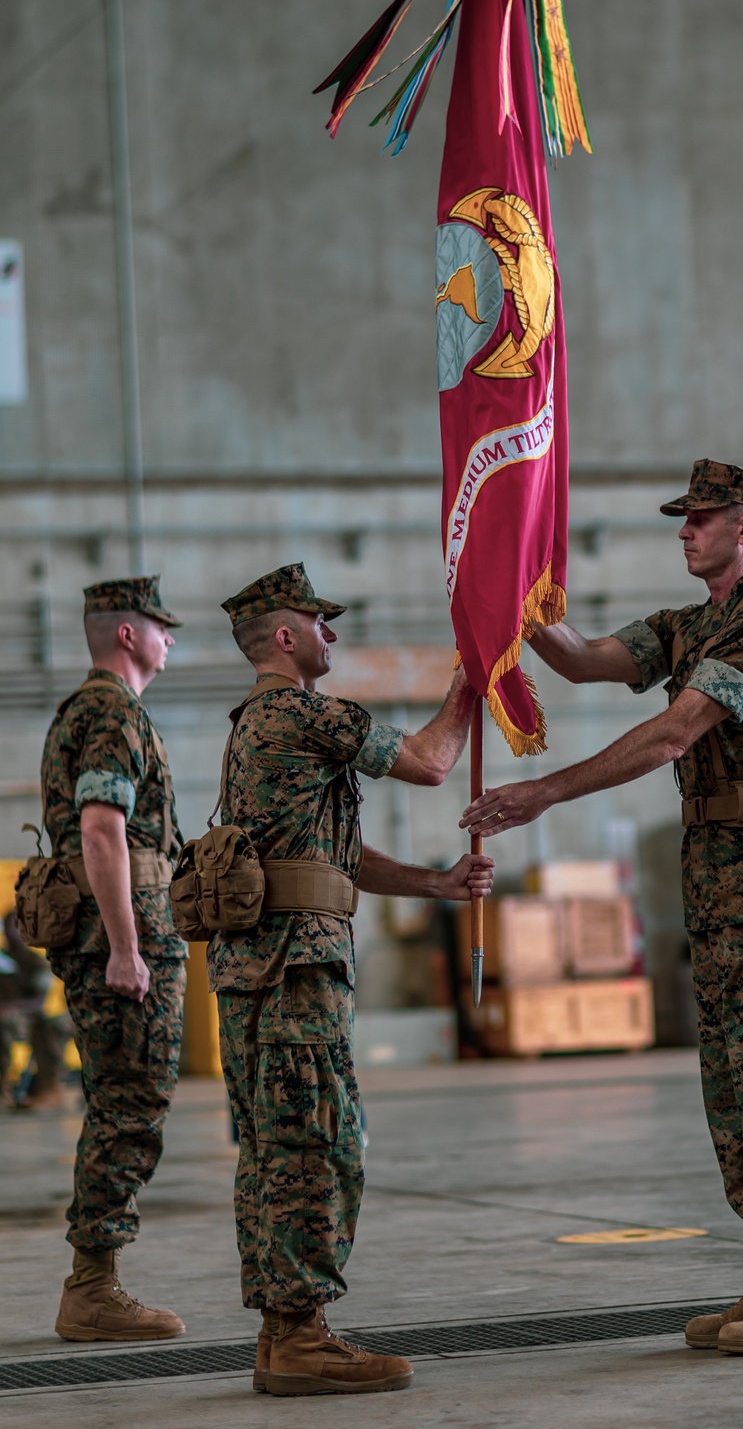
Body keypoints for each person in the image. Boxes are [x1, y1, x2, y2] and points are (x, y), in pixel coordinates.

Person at [460, 461, 743, 1357]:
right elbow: (585, 658)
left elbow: (675, 732)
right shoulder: (689, 625)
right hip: (720, 876)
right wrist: (513, 591)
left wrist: (544, 793)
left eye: (702, 520)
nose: (685, 531)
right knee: (732, 1082)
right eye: (683, 519)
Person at [214, 563, 493, 1398]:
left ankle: (281, 1336)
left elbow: (330, 860)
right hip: (296, 968)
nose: (334, 635)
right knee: (317, 1145)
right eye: (322, 624)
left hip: (256, 967)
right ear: (287, 637)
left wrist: (437, 886)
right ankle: (302, 1336)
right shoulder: (304, 713)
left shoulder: (251, 729)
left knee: (274, 1149)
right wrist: (472, 681)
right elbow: (431, 761)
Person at [40, 576, 187, 1342]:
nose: (171, 639)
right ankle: (93, 1287)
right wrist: (128, 949)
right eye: (163, 627)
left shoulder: (94, 711)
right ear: (128, 634)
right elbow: (103, 832)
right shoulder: (110, 711)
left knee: (124, 1099)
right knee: (131, 1102)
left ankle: (94, 1279)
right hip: (118, 941)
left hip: (111, 933)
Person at [0, 909, 73, 1110]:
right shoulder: (2, 958)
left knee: (9, 1024)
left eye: (16, 926)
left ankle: (49, 1088)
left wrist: (11, 1007)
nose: (10, 931)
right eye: (8, 926)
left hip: (23, 1018)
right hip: (7, 1014)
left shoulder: (35, 961)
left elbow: (39, 1001)